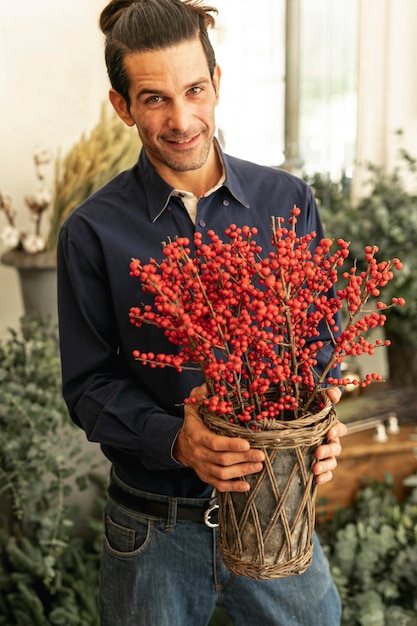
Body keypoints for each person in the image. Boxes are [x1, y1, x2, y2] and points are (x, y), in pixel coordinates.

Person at [57, 1, 347, 624]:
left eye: (194, 89)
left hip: (279, 515)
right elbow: (88, 386)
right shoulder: (93, 231)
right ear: (122, 106)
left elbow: (317, 347)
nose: (182, 119)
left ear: (218, 82)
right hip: (151, 531)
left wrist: (322, 423)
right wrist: (177, 442)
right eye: (155, 98)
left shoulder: (287, 201)